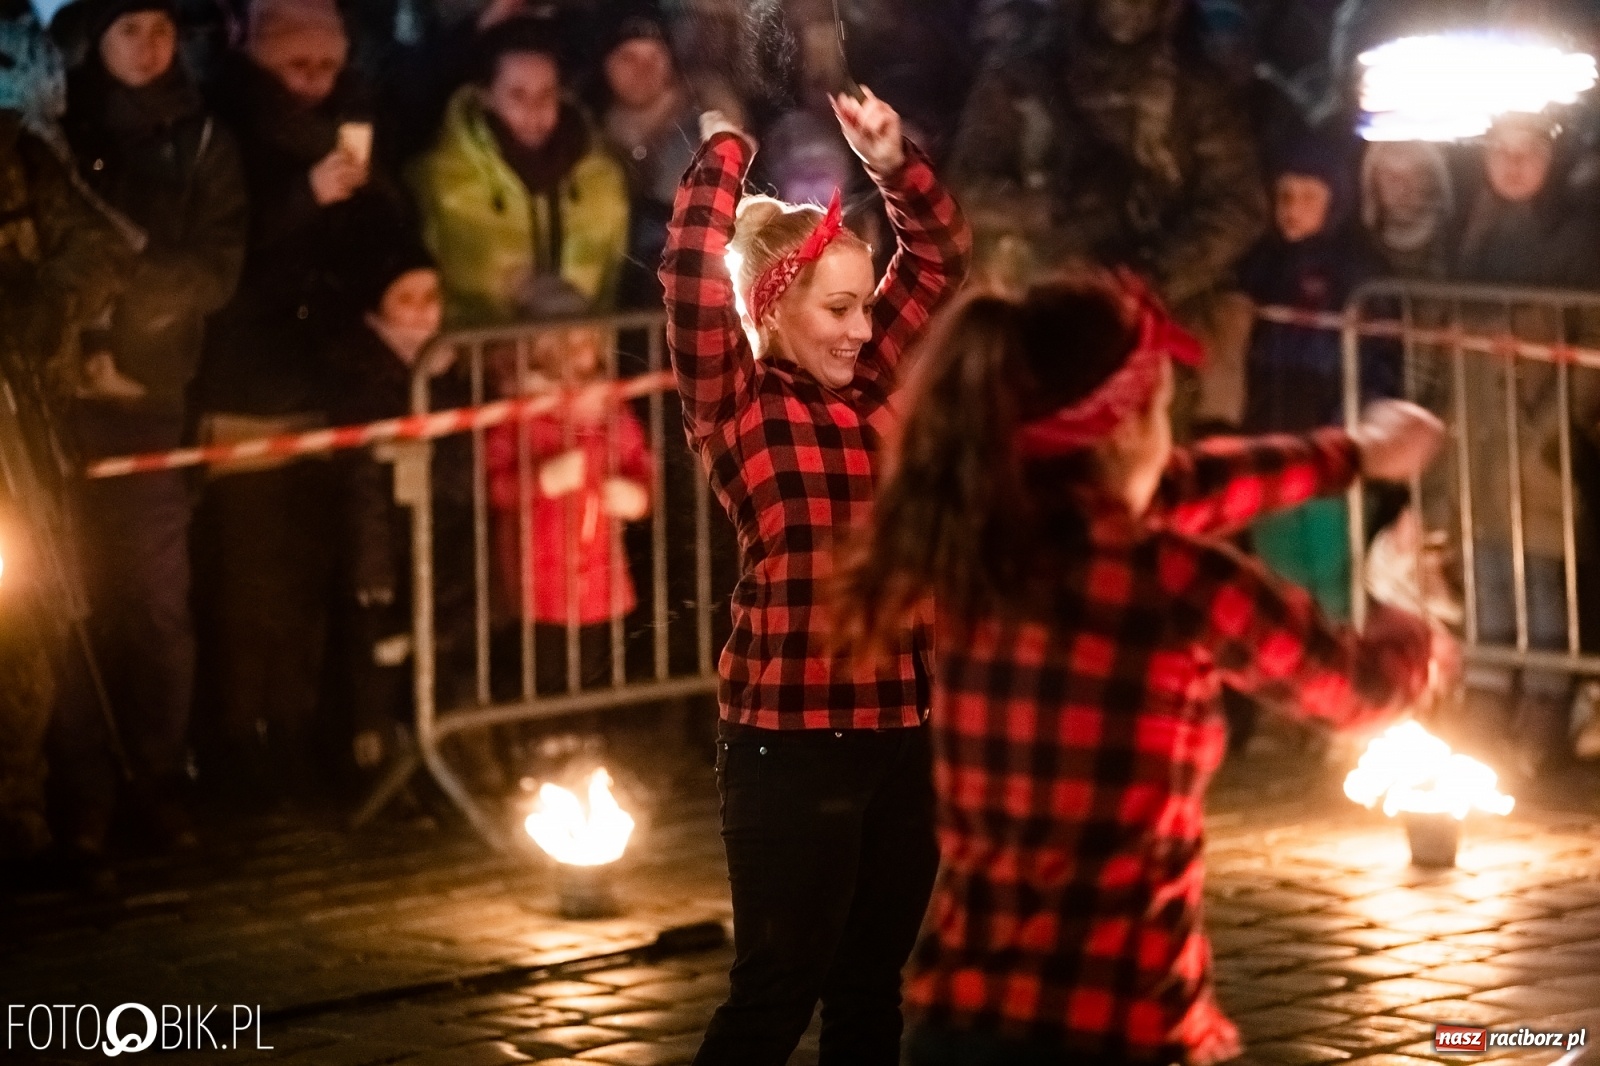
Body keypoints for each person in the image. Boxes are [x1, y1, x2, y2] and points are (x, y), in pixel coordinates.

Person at [830, 273, 1448, 1066]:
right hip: (1118, 1024)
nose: (1172, 435)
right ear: (1122, 432)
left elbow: (1186, 486)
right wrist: (1413, 629)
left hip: (962, 1022)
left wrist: (1356, 455)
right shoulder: (1173, 579)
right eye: (1162, 410)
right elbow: (1357, 691)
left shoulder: (977, 544)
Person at [660, 87, 970, 1064]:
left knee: (870, 988)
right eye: (836, 305)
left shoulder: (867, 376)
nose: (855, 325)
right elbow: (684, 273)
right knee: (774, 992)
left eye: (861, 301)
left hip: (904, 732)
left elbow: (938, 260)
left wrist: (890, 158)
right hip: (790, 739)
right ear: (772, 307)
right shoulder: (734, 402)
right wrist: (725, 146)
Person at [194, 0, 407, 809]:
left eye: (327, 65)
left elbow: (378, 232)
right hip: (247, 381)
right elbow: (227, 254)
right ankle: (239, 746)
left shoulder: (354, 116)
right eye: (298, 66)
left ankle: (297, 736)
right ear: (261, 58)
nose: (317, 81)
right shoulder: (231, 125)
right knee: (248, 580)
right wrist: (305, 197)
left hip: (325, 380)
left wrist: (360, 201)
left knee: (313, 575)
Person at [50, 0, 247, 851]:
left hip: (148, 399)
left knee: (158, 605)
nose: (148, 45)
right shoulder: (51, 133)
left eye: (161, 28)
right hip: (56, 409)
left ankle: (159, 776)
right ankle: (82, 788)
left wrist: (126, 305)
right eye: (128, 29)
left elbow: (213, 269)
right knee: (64, 602)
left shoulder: (203, 140)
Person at [948, 0, 1266, 437]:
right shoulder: (1021, 76)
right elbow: (963, 192)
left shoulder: (1197, 87)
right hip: (1038, 303)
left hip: (1157, 310)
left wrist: (1153, 277)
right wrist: (1053, 205)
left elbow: (1238, 204)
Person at [0, 0, 132, 871]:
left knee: (28, 616)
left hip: (15, 420)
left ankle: (21, 805)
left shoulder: (18, 156)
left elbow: (100, 247)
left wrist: (34, 313)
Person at [1446, 114, 1600, 775]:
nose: (1511, 165)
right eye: (1499, 152)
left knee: (1542, 573)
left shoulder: (1577, 239)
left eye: (1528, 152)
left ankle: (1542, 697)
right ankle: (1486, 689)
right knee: (1487, 567)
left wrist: (1561, 423)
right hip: (1482, 420)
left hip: (1548, 422)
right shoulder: (1473, 229)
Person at [327, 239, 473, 778]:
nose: (422, 309)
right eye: (405, 298)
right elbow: (360, 482)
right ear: (376, 306)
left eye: (431, 295)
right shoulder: (363, 373)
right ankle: (381, 772)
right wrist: (372, 569)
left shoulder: (453, 363)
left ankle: (436, 770)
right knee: (382, 663)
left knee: (440, 654)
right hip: (388, 549)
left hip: (447, 533)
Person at [483, 283, 653, 696]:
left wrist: (639, 496)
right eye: (569, 342)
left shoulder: (610, 406)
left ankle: (588, 743)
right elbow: (494, 485)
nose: (583, 353)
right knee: (544, 669)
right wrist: (541, 480)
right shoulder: (518, 411)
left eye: (588, 341)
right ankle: (543, 743)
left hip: (599, 574)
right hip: (538, 575)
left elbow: (639, 462)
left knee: (596, 667)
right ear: (541, 347)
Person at [1239, 137, 1381, 622]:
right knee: (1273, 551)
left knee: (1327, 553)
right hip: (1269, 424)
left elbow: (1376, 353)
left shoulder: (1354, 272)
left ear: (1335, 200)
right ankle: (1277, 672)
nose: (1292, 210)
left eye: (1307, 197)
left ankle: (1338, 653)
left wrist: (1352, 417)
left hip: (1324, 422)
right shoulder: (1264, 264)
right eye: (1284, 196)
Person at [410, 13, 630, 326]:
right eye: (517, 95)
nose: (535, 110)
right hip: (477, 364)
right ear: (486, 96)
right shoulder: (440, 179)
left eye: (546, 94)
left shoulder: (602, 177)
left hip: (582, 363)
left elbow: (611, 284)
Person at [592, 4, 699, 309]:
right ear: (605, 63)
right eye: (628, 58)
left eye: (655, 57)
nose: (644, 70)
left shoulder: (705, 128)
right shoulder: (584, 134)